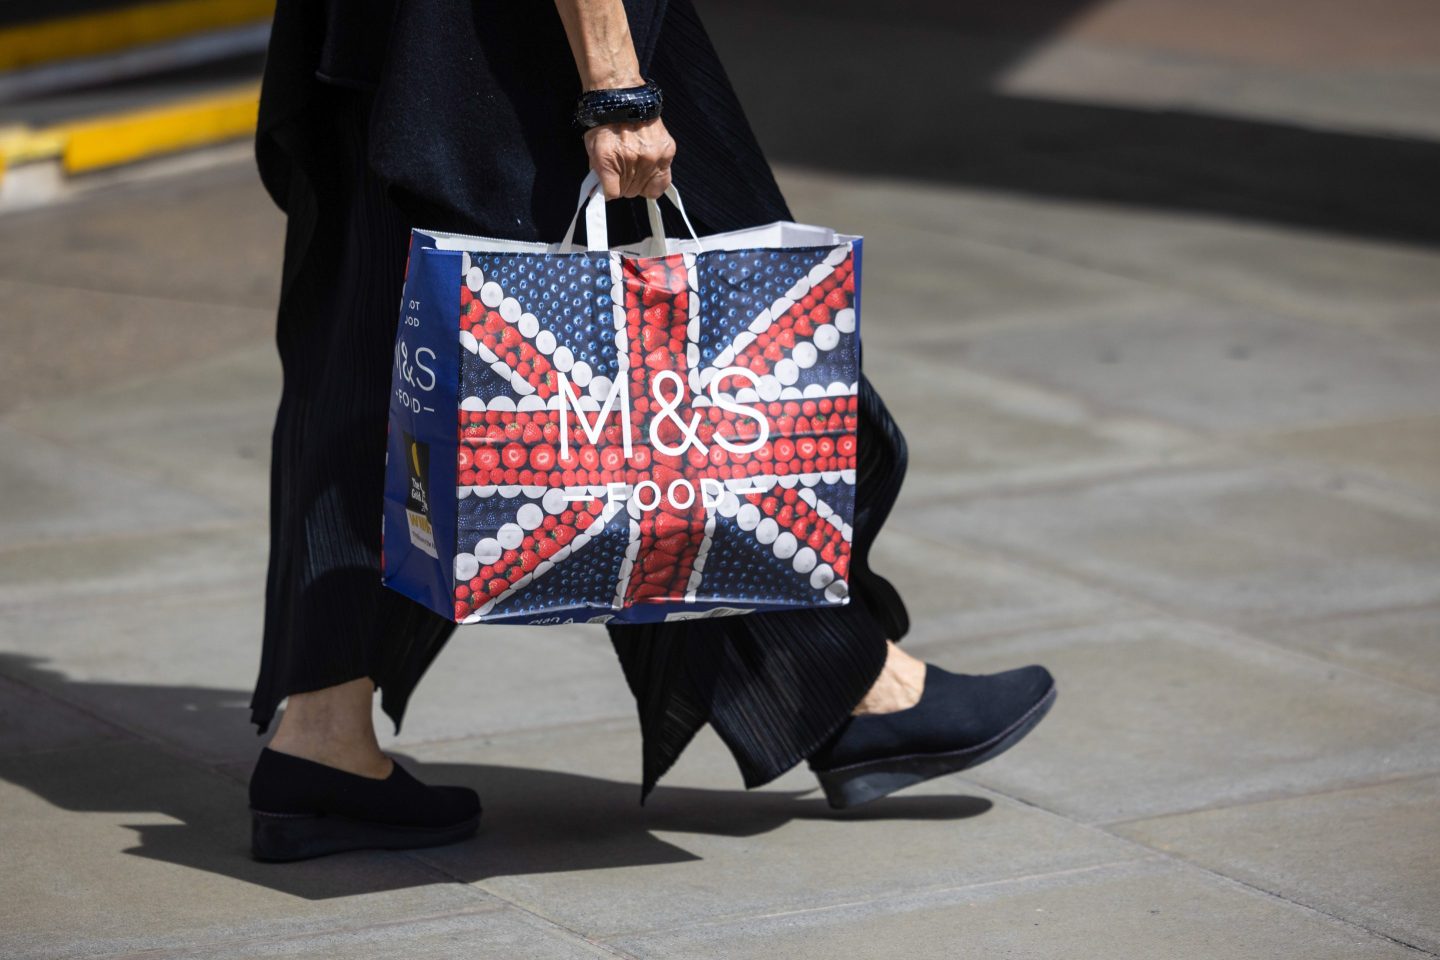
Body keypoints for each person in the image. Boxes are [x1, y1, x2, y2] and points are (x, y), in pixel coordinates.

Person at [245, 0, 1056, 862]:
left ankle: (322, 733)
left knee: (378, 350)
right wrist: (617, 84)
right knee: (723, 346)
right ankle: (847, 685)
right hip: (516, 37)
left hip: (388, 30)